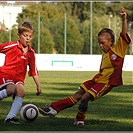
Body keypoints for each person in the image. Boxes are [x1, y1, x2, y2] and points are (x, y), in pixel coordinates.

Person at [39, 8, 131, 127]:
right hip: (97, 79)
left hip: (106, 83)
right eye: (99, 43)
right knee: (79, 94)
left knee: (84, 98)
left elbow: (123, 35)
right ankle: (53, 109)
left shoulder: (118, 49)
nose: (100, 45)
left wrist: (124, 19)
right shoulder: (105, 54)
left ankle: (80, 119)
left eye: (103, 42)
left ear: (111, 41)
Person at [0, 21, 42, 123]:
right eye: (25, 35)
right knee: (10, 90)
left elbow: (33, 70)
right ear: (19, 35)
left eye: (30, 36)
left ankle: (10, 117)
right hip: (6, 74)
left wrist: (38, 86)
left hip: (18, 78)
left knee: (21, 92)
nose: (28, 38)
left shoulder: (31, 53)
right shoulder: (12, 46)